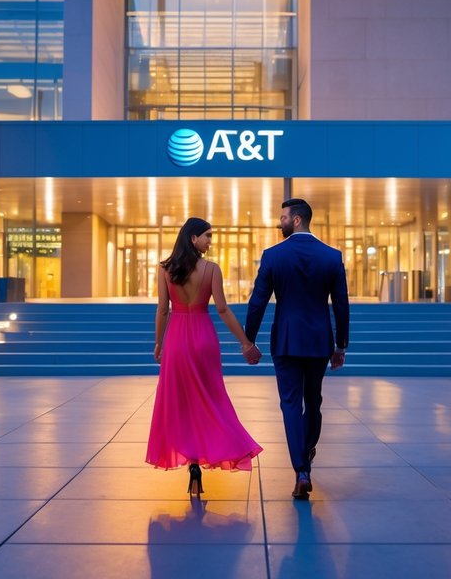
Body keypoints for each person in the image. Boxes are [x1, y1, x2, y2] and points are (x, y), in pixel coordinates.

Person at [146, 217, 263, 496]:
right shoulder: (211, 269)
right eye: (207, 236)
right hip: (203, 338)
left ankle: (193, 464)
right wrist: (246, 343)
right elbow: (222, 310)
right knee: (212, 399)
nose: (211, 241)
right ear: (192, 238)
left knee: (181, 402)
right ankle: (214, 450)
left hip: (176, 339)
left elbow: (163, 310)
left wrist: (158, 343)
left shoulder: (165, 269)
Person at [245, 198, 349, 500]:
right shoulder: (332, 257)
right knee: (313, 401)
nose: (281, 223)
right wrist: (341, 345)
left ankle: (301, 470)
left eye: (283, 218)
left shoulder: (273, 256)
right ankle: (307, 452)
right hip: (319, 341)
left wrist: (249, 340)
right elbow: (341, 305)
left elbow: (258, 302)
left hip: (287, 341)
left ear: (298, 220)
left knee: (290, 404)